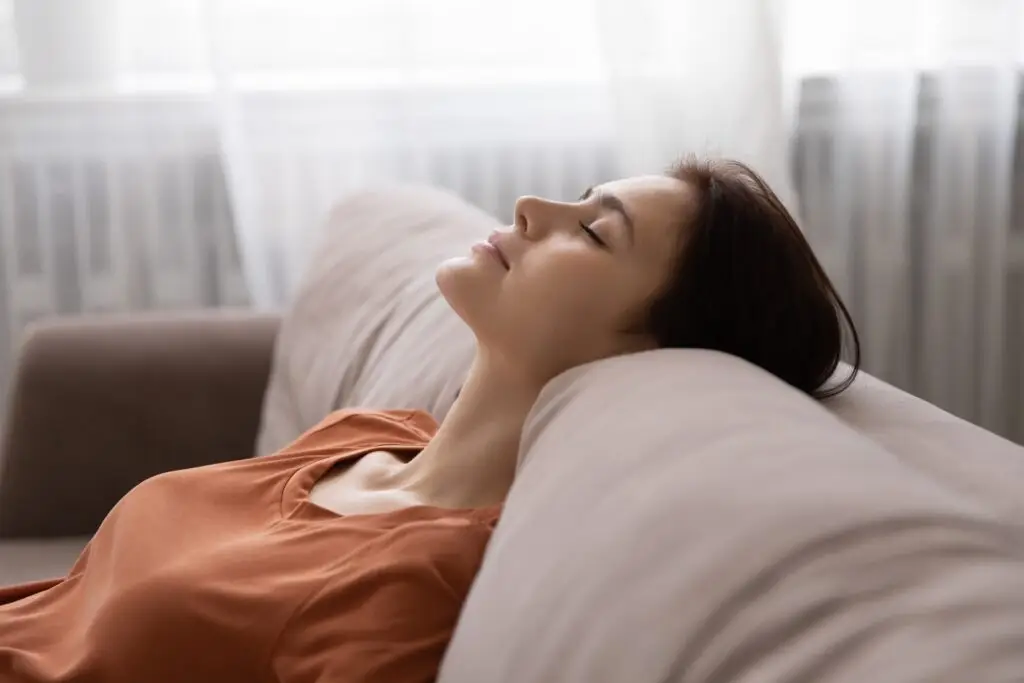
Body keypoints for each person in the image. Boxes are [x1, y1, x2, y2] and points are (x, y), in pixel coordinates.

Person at [0, 157, 859, 683]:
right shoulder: (369, 432)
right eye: (578, 198)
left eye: (594, 234)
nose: (530, 206)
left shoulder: (419, 584)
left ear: (653, 353)